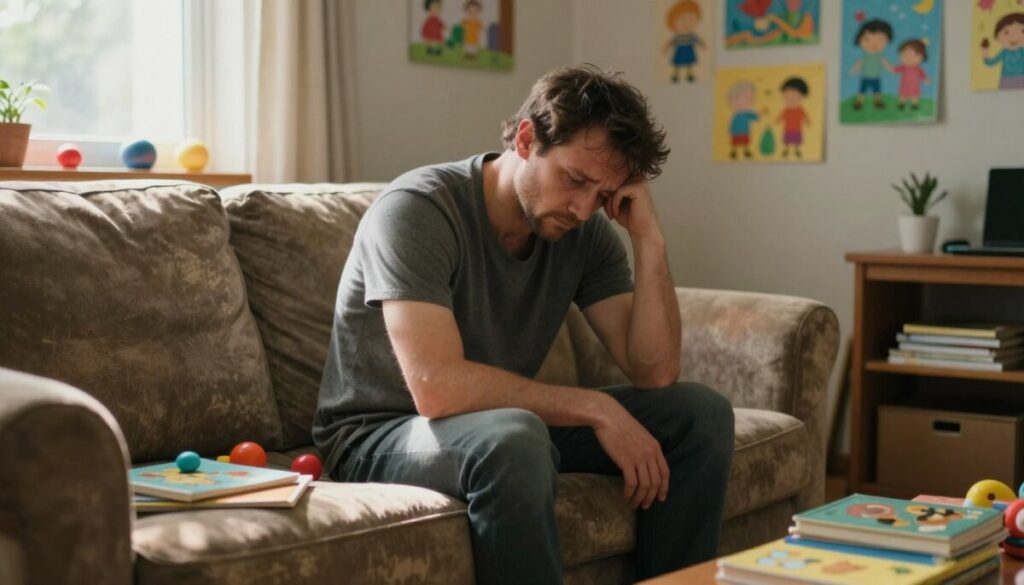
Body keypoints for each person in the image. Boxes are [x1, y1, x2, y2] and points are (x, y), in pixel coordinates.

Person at [313, 64, 735, 584]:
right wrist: (594, 406)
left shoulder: (582, 230)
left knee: (700, 415)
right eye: (574, 180)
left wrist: (649, 241)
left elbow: (656, 372)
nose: (584, 208)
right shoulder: (418, 209)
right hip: (379, 435)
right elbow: (436, 388)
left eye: (602, 194)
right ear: (527, 138)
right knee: (515, 436)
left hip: (502, 427)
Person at [849, 18, 893, 111]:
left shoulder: (880, 56)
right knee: (862, 91)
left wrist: (891, 69)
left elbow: (885, 64)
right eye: (867, 39)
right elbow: (860, 63)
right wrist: (854, 69)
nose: (874, 43)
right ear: (860, 40)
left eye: (880, 39)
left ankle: (878, 102)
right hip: (865, 76)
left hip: (876, 77)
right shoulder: (865, 56)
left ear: (887, 40)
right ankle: (859, 102)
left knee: (877, 91)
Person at [663, 0, 706, 83]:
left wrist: (703, 45)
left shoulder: (692, 36)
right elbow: (670, 43)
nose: (686, 23)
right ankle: (676, 75)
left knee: (689, 63)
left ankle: (689, 75)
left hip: (688, 50)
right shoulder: (677, 37)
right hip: (680, 51)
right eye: (682, 19)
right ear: (673, 21)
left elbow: (698, 41)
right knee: (677, 64)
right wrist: (665, 49)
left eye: (691, 20)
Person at [981, 12, 1024, 90]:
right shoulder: (1004, 53)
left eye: (1022, 31)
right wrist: (985, 53)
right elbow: (991, 62)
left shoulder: (1022, 52)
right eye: (1006, 32)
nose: (1014, 37)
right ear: (997, 36)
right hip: (1006, 80)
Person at [776, 76, 810, 159]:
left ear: (802, 97)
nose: (791, 98)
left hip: (797, 129)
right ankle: (786, 150)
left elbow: (805, 117)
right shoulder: (786, 110)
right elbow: (780, 117)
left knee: (796, 140)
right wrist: (777, 121)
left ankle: (796, 150)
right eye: (787, 96)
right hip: (787, 129)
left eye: (795, 95)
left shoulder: (800, 110)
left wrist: (808, 122)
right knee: (787, 140)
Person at [891, 39, 929, 110]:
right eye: (905, 55)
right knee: (903, 95)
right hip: (905, 85)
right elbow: (895, 70)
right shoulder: (903, 67)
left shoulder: (918, 69)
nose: (910, 59)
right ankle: (901, 103)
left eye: (915, 56)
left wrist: (925, 79)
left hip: (914, 86)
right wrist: (892, 69)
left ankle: (915, 104)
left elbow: (922, 75)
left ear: (922, 57)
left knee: (915, 95)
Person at [726, 80, 759, 160]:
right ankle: (734, 151)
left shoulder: (747, 113)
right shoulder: (736, 115)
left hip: (745, 131)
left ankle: (746, 151)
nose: (744, 102)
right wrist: (730, 130)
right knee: (735, 142)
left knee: (745, 141)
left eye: (748, 99)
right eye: (739, 98)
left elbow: (755, 117)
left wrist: (757, 114)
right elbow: (732, 123)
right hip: (736, 132)